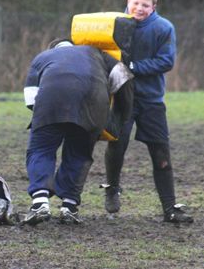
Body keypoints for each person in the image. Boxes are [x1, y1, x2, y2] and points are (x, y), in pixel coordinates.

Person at [103, 0, 193, 223]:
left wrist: (133, 67)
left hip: (151, 100)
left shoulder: (164, 28)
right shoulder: (113, 25)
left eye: (145, 4)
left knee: (160, 152)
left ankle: (169, 208)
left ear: (154, 6)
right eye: (136, 3)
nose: (139, 8)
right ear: (128, 1)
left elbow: (166, 62)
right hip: (121, 97)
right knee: (117, 144)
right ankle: (112, 188)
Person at [23, 39, 134, 225]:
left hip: (51, 102)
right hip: (93, 103)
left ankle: (40, 201)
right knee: (79, 153)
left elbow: (30, 98)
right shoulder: (97, 53)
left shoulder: (43, 57)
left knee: (41, 150)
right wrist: (119, 119)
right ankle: (69, 206)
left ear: (53, 48)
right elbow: (124, 79)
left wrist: (50, 118)